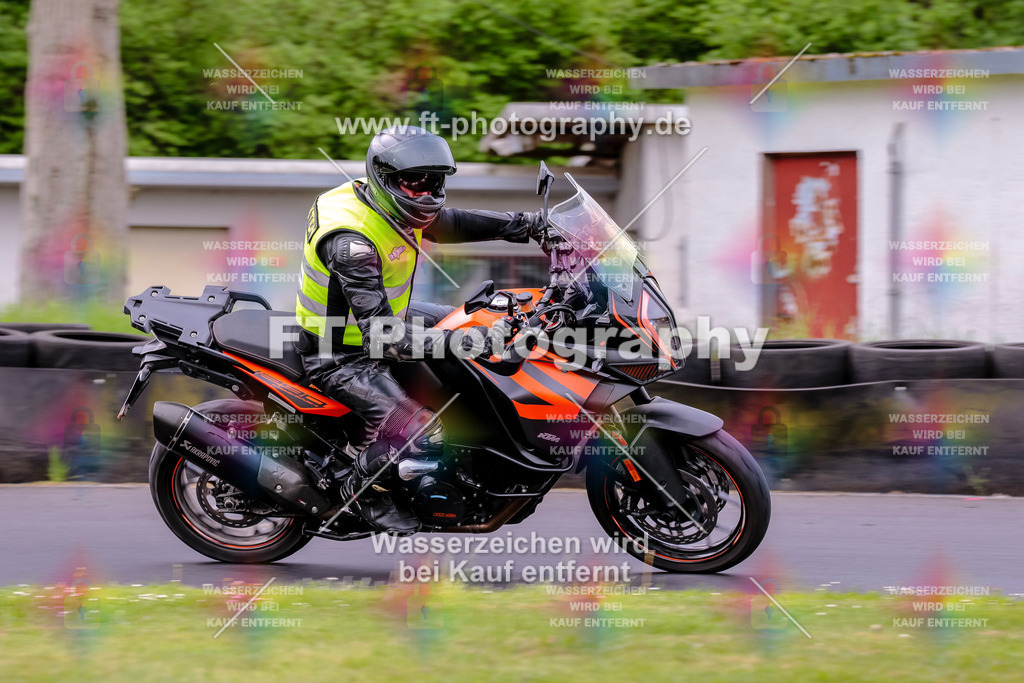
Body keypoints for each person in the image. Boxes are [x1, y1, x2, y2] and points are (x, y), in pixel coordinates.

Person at [293, 126, 544, 534]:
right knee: (421, 430)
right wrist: (469, 343)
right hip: (340, 350)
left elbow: (448, 222)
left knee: (470, 316)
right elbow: (384, 338)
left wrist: (529, 225)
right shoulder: (351, 241)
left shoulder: (386, 202)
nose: (425, 191)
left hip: (388, 317)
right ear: (384, 176)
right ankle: (361, 494)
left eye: (434, 181)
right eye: (413, 181)